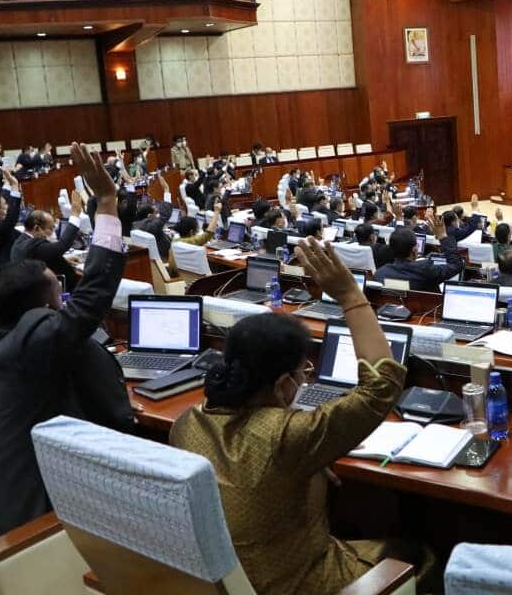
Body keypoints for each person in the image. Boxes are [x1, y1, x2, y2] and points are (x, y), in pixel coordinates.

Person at [171, 238, 435, 594]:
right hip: (297, 583)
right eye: (303, 373)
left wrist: (308, 463)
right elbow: (381, 385)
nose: (305, 379)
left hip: (227, 581)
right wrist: (350, 296)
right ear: (282, 384)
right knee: (423, 553)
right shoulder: (288, 436)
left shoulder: (187, 422)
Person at [0, 143, 134, 533]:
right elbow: (93, 294)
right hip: (42, 520)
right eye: (56, 291)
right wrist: (107, 202)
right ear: (43, 308)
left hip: (3, 500)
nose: (64, 298)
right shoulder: (38, 340)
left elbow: (3, 303)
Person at [374, 214, 463, 291]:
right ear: (415, 249)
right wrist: (443, 236)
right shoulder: (426, 270)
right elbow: (456, 265)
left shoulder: (380, 273)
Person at [12, 200, 83, 292]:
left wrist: (64, 260)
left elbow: (40, 258)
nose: (52, 233)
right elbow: (61, 246)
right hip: (61, 292)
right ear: (37, 228)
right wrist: (75, 216)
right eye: (50, 228)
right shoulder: (33, 245)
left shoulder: (20, 240)